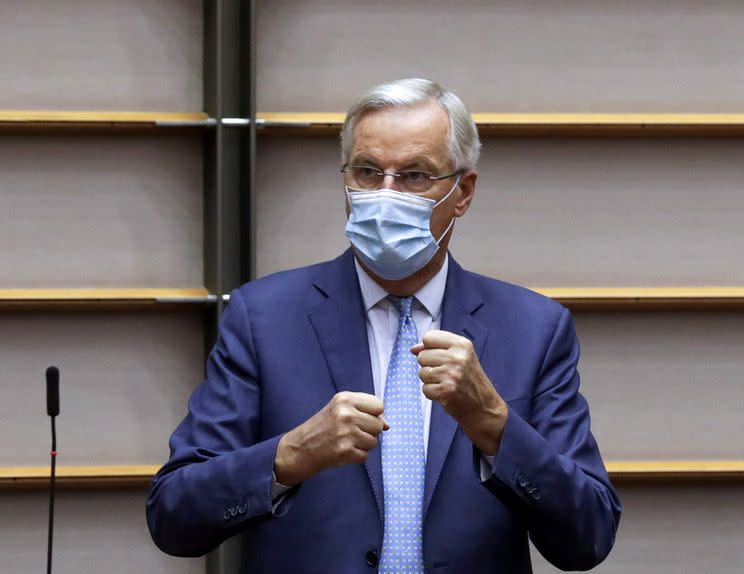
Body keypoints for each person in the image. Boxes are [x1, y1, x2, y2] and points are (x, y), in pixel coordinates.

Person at [146, 78, 621, 573]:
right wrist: (289, 456)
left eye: (415, 176)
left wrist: (496, 427)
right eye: (368, 173)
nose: (386, 195)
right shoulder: (263, 319)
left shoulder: (533, 328)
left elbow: (588, 538)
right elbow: (173, 516)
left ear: (463, 193)